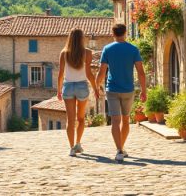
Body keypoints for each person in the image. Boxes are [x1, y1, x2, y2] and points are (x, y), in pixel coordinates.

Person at [96, 23, 146, 163]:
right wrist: (143, 90)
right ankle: (121, 148)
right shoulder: (133, 49)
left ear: (113, 34)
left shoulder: (107, 49)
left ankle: (119, 149)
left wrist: (96, 86)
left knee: (115, 121)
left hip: (112, 89)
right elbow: (141, 73)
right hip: (128, 90)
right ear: (125, 33)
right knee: (125, 120)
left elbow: (101, 71)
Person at [57, 28, 100, 157]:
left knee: (70, 120)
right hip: (82, 86)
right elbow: (89, 73)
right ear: (82, 39)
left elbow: (60, 74)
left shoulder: (64, 53)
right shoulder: (87, 53)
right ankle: (78, 143)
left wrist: (59, 90)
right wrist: (95, 88)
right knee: (81, 118)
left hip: (68, 86)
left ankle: (71, 148)